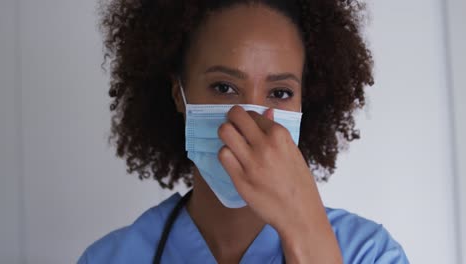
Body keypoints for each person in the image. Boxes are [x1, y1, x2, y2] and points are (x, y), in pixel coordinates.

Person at [78, 0, 409, 263]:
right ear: (180, 94)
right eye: (224, 87)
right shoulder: (111, 258)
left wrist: (306, 233)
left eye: (279, 93)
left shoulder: (369, 254)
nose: (250, 119)